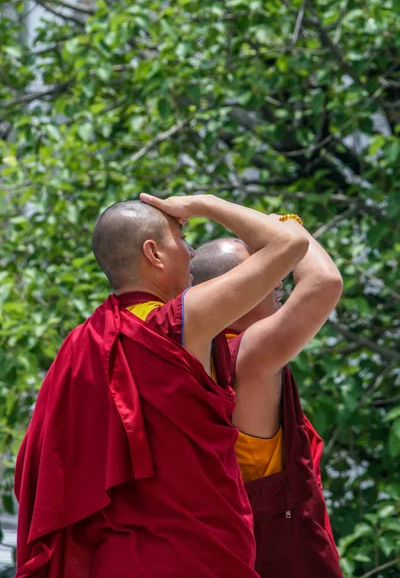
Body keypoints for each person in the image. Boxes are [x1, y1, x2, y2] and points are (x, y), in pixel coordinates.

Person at [14, 194, 309, 578]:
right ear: (153, 254)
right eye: (183, 241)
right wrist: (203, 203)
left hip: (111, 562)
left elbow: (42, 468)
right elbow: (291, 244)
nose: (191, 256)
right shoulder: (175, 326)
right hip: (189, 558)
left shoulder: (78, 345)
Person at [191, 216, 344, 578]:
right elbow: (323, 282)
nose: (279, 282)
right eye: (264, 273)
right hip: (278, 555)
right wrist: (287, 225)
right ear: (233, 294)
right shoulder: (243, 356)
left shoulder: (193, 357)